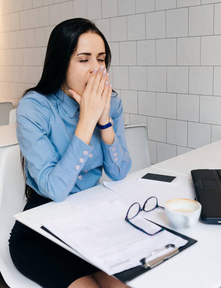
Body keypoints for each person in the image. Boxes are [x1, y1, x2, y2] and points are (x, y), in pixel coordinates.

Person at [9, 18, 132, 288]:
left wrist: (105, 122)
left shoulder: (112, 102)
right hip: (42, 226)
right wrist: (87, 120)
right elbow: (55, 189)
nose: (96, 69)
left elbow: (119, 172)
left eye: (101, 59)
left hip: (90, 221)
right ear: (61, 62)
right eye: (83, 59)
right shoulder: (34, 107)